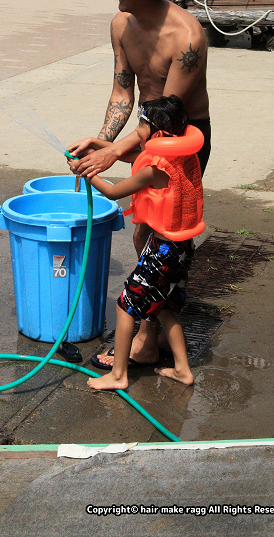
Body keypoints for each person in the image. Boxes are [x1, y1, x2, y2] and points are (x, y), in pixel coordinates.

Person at [68, 0, 209, 366]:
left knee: (160, 236)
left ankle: (147, 337)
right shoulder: (120, 25)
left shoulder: (187, 37)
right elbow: (122, 93)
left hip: (181, 139)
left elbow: (167, 112)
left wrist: (114, 152)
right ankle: (159, 324)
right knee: (145, 235)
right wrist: (101, 143)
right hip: (143, 137)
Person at [76, 96, 203, 392]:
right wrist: (98, 146)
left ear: (159, 134)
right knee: (166, 307)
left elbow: (112, 192)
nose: (137, 130)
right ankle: (182, 370)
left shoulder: (156, 170)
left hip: (162, 252)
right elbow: (137, 155)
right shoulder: (185, 155)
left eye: (141, 125)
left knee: (125, 306)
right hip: (183, 247)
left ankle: (118, 375)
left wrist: (85, 171)